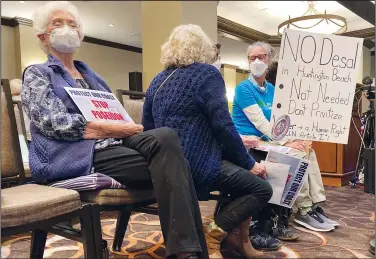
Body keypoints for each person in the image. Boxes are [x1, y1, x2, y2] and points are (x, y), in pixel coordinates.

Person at [21, 2, 208, 259]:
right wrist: (105, 128)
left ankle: (186, 252)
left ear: (80, 34)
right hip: (73, 153)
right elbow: (52, 122)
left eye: (73, 24)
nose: (67, 29)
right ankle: (189, 253)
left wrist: (123, 128)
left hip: (111, 147)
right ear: (43, 36)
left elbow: (116, 115)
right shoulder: (38, 73)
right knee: (178, 166)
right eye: (58, 23)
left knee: (165, 136)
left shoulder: (92, 76)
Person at [142, 24, 273, 259]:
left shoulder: (156, 81)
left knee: (242, 175)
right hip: (199, 165)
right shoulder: (207, 74)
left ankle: (237, 240)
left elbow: (147, 131)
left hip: (165, 171)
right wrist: (249, 163)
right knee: (260, 187)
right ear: (203, 48)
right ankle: (214, 232)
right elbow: (223, 126)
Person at [232, 41, 340, 234]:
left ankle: (314, 204)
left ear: (269, 59)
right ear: (248, 61)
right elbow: (261, 123)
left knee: (307, 150)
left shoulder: (272, 90)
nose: (257, 61)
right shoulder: (243, 89)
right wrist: (286, 141)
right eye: (252, 58)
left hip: (269, 140)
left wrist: (298, 138)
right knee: (296, 154)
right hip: (250, 142)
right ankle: (303, 209)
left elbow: (281, 121)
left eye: (261, 56)